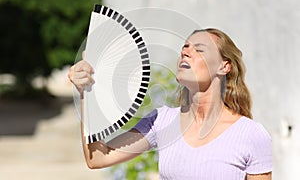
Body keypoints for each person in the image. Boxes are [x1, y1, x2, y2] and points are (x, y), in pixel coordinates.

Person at [68, 28, 272, 179]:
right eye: (184, 48)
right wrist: (87, 90)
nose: (185, 52)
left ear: (224, 66)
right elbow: (97, 157)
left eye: (199, 50)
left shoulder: (251, 134)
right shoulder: (161, 120)